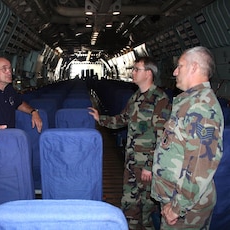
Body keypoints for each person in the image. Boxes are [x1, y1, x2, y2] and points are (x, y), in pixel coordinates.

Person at [89, 56, 171, 229]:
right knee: (129, 206)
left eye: (136, 69)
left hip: (147, 167)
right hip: (131, 162)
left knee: (147, 211)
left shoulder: (160, 99)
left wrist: (149, 165)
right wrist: (100, 119)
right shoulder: (135, 97)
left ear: (148, 73)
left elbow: (162, 136)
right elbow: (122, 119)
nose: (132, 72)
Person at [151, 46, 224, 229]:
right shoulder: (189, 102)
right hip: (177, 198)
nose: (175, 72)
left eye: (180, 66)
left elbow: (201, 163)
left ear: (194, 67)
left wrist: (178, 207)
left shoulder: (201, 107)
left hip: (187, 207)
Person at [0, 56, 42, 142]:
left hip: (9, 137)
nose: (9, 72)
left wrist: (33, 112)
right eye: (4, 69)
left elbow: (19, 103)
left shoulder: (9, 90)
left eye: (10, 68)